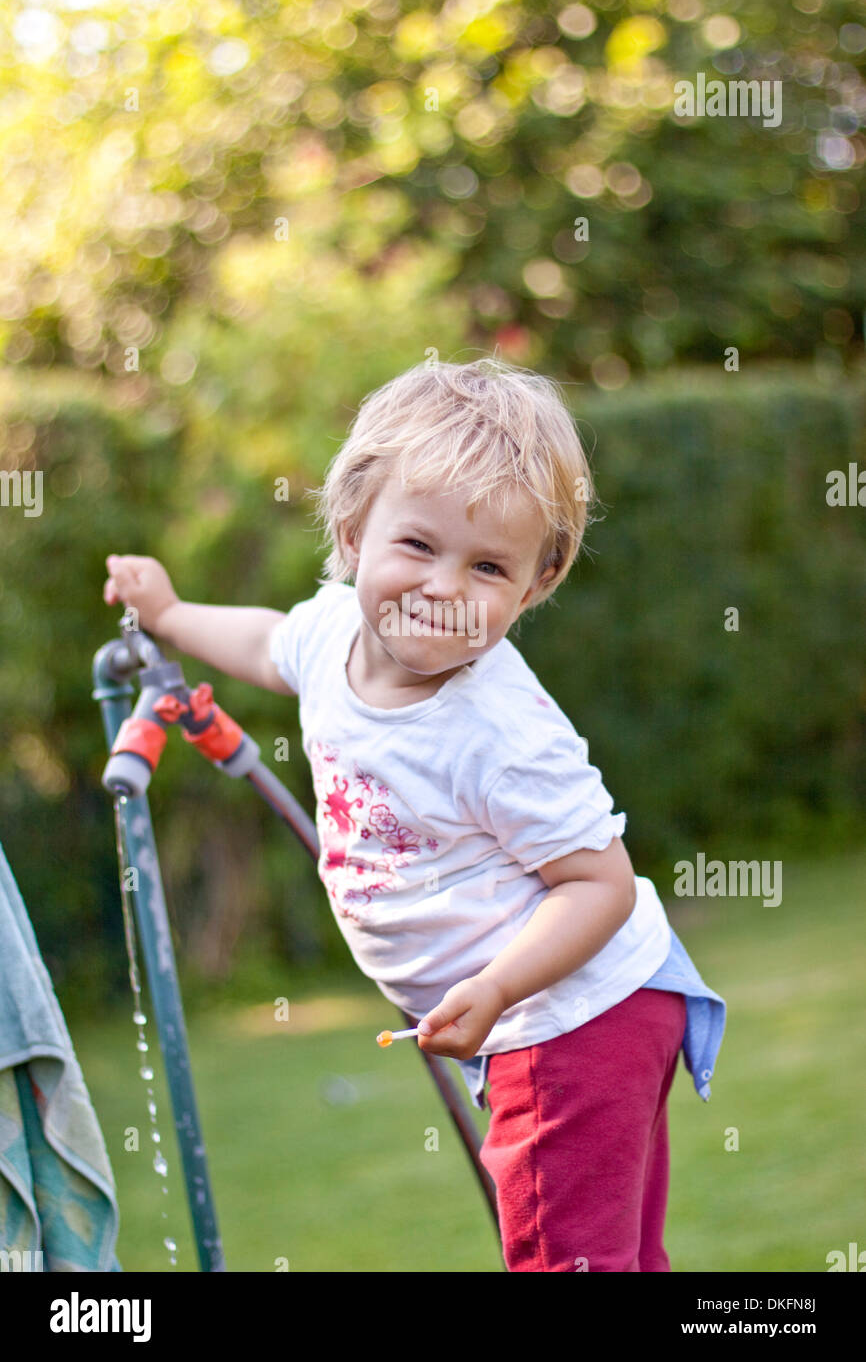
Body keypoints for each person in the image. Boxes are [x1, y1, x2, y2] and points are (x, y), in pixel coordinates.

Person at [103, 356, 725, 1272]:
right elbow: (265, 644)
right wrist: (169, 611)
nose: (443, 588)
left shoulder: (496, 729)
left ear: (534, 584)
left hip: (572, 1024)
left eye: (487, 567)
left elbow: (603, 886)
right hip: (563, 1019)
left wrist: (498, 988)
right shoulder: (328, 634)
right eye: (418, 547)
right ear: (354, 532)